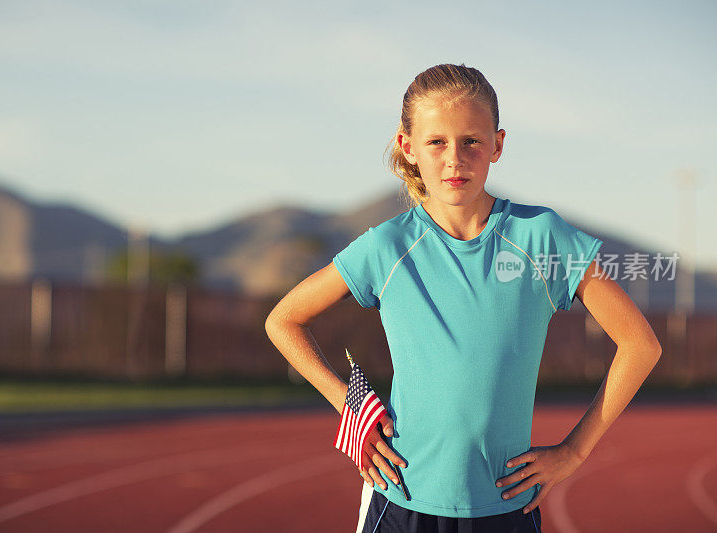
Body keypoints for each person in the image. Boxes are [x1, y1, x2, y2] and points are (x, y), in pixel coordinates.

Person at [265, 63, 662, 533]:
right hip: (401, 500)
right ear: (407, 147)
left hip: (506, 503)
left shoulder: (542, 238)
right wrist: (348, 406)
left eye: (472, 140)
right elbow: (283, 320)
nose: (455, 158)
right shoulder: (387, 246)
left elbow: (641, 344)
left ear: (498, 144)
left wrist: (574, 450)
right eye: (436, 142)